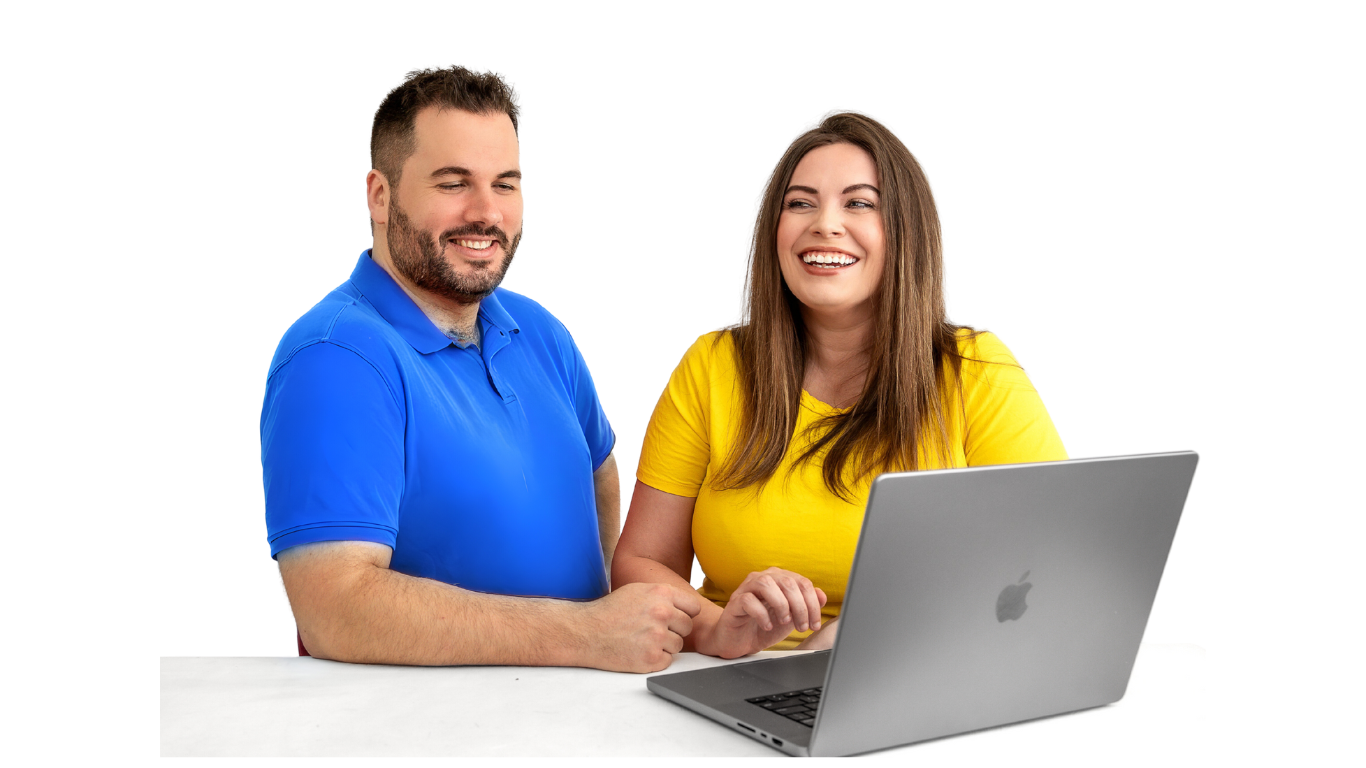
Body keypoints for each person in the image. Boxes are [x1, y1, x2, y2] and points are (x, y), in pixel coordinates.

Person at [260, 64, 699, 672]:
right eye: (453, 183)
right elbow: (335, 607)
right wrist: (582, 634)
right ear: (379, 196)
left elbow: (599, 477)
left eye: (506, 184)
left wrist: (608, 627)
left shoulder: (538, 328)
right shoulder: (337, 357)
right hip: (427, 719)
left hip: (579, 702)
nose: (487, 213)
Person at [612, 108, 1069, 659]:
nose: (825, 224)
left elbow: (1057, 562)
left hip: (918, 669)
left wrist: (866, 638)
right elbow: (640, 563)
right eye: (800, 203)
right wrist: (718, 630)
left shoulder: (977, 370)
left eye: (859, 203)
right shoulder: (711, 365)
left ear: (905, 231)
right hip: (734, 675)